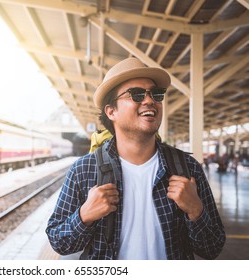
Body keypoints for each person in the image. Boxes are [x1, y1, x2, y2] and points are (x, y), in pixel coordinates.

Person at [46, 57, 225, 260]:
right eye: (136, 94)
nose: (149, 101)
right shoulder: (84, 170)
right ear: (111, 111)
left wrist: (196, 210)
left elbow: (213, 248)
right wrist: (84, 216)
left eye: (156, 94)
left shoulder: (187, 168)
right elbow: (58, 241)